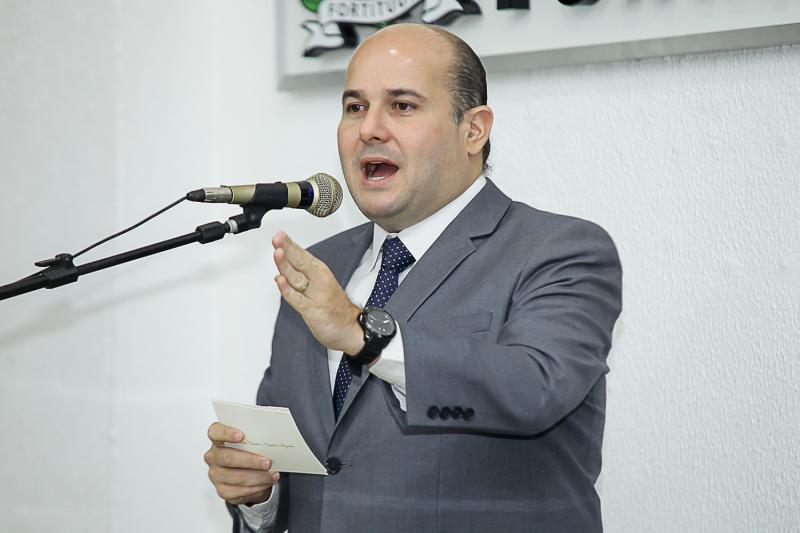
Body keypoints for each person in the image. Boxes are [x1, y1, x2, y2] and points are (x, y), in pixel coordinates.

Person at [205, 23, 622, 533]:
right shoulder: (320, 266)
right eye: (354, 107)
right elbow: (310, 467)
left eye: (402, 105)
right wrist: (259, 496)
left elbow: (534, 388)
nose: (369, 129)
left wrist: (362, 333)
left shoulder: (559, 250)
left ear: (474, 130)